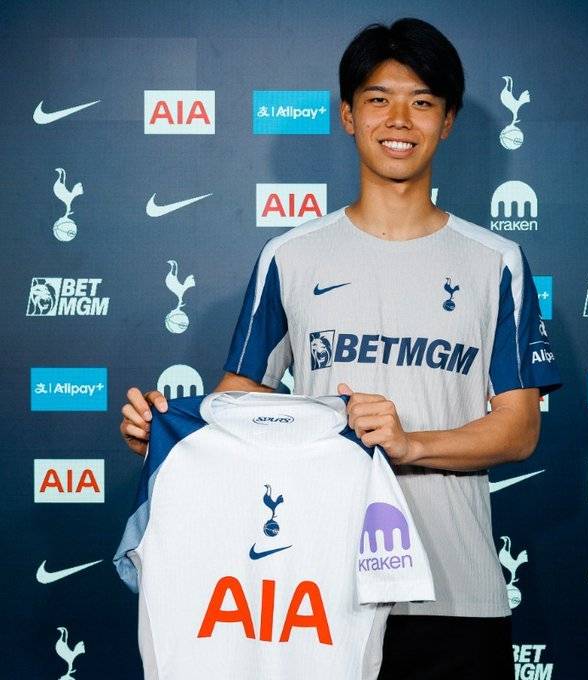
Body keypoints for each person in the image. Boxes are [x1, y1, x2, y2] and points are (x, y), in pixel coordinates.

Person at [120, 17, 561, 679]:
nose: (399, 120)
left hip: (456, 594)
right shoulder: (290, 255)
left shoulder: (496, 261)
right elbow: (237, 402)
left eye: (422, 101)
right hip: (322, 592)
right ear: (349, 115)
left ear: (448, 121)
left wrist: (410, 444)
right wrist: (168, 434)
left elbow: (519, 429)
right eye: (379, 99)